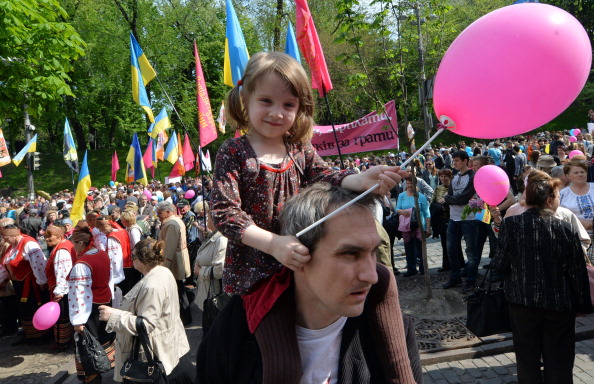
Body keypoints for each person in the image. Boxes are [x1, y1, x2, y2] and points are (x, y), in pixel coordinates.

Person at [211, 51, 410, 383]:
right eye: (266, 101)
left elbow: (326, 175)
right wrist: (273, 244)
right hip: (261, 272)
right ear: (244, 98)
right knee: (284, 365)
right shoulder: (233, 152)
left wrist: (361, 179)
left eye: (288, 105)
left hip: (307, 259)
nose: (277, 113)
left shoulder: (299, 148)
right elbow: (224, 212)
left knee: (384, 281)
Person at [197, 183, 420, 383]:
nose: (371, 276)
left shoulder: (392, 330)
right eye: (350, 254)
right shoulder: (233, 332)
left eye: (372, 252)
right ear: (297, 255)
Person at [491, 170, 592, 383]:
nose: (558, 200)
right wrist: (582, 305)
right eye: (556, 196)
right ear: (548, 200)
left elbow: (499, 265)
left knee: (527, 360)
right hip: (558, 306)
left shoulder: (511, 225)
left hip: (522, 304)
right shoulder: (564, 228)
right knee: (559, 360)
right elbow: (577, 271)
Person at [98, 239, 192, 383]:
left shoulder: (152, 285)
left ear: (141, 259)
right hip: (168, 344)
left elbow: (147, 324)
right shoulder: (163, 272)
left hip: (156, 351)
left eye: (132, 257)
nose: (131, 260)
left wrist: (113, 316)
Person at [68, 226, 115, 384]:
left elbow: (79, 294)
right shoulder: (102, 254)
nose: (73, 247)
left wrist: (77, 320)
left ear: (81, 243)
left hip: (89, 310)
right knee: (102, 339)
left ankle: (93, 379)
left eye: (74, 243)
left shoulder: (82, 264)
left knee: (88, 347)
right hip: (104, 304)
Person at [1, 224, 49, 345]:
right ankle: (30, 335)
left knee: (32, 308)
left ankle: (40, 336)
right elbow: (4, 266)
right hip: (19, 284)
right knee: (24, 310)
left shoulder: (29, 244)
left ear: (14, 234)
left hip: (31, 284)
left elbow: (39, 264)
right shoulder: (12, 247)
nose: (3, 239)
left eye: (5, 236)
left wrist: (42, 281)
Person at [441, 151, 480, 293]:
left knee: (471, 251)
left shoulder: (473, 177)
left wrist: (448, 199)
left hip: (469, 218)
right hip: (453, 217)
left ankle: (471, 280)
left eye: (457, 160)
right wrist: (449, 198)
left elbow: (463, 198)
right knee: (451, 249)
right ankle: (455, 276)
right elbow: (451, 195)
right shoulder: (455, 177)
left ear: (465, 161)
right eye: (454, 161)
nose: (455, 163)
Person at [156, 201, 192, 325]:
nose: (158, 215)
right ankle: (185, 317)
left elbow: (169, 247)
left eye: (160, 213)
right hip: (178, 260)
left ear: (168, 212)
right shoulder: (174, 221)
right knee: (179, 290)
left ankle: (185, 318)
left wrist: (164, 266)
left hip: (174, 262)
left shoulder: (171, 224)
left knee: (178, 291)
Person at [44, 225, 76, 350]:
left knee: (62, 316)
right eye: (45, 237)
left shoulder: (62, 250)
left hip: (63, 289)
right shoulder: (64, 245)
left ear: (59, 236)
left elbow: (63, 272)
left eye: (49, 236)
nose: (46, 239)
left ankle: (63, 342)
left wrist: (60, 291)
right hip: (65, 288)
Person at [192, 202, 227, 314]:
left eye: (209, 217)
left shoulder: (221, 239)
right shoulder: (215, 235)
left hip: (214, 293)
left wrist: (200, 271)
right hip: (206, 290)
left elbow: (219, 271)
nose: (207, 219)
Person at [559, 159, 594, 262]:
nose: (580, 174)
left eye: (582, 172)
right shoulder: (563, 194)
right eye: (576, 172)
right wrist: (579, 222)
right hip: (576, 239)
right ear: (568, 176)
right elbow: (560, 216)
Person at [396, 176, 431, 276]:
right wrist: (402, 211)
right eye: (408, 183)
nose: (409, 185)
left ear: (416, 184)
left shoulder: (421, 197)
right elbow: (397, 208)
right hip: (406, 226)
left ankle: (423, 268)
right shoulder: (402, 196)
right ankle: (411, 269)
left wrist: (428, 228)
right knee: (408, 247)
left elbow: (427, 213)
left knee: (421, 248)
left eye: (411, 183)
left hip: (419, 226)